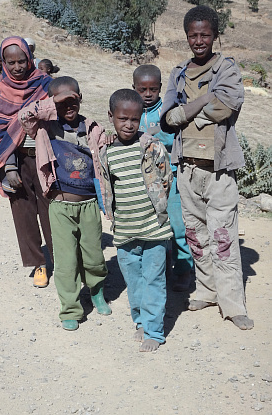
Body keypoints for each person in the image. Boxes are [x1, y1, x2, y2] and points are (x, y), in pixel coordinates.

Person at [160, 5, 254, 330]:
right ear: (187, 36)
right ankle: (207, 291)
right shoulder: (178, 74)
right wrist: (202, 101)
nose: (199, 40)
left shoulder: (227, 68)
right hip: (186, 170)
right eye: (193, 35)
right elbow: (168, 118)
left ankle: (233, 304)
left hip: (218, 172)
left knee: (223, 237)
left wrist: (188, 110)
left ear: (215, 35)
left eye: (205, 34)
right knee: (198, 238)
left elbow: (227, 105)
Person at [18, 76, 111, 331]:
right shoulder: (44, 127)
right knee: (66, 260)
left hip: (89, 205)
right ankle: (70, 308)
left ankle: (96, 291)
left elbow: (104, 153)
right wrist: (53, 103)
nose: (68, 105)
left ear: (80, 98)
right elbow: (23, 117)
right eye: (62, 101)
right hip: (59, 206)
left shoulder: (92, 128)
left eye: (73, 99)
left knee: (93, 255)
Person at [98, 89, 173, 352]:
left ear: (141, 117)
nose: (129, 124)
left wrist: (159, 210)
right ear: (111, 117)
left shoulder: (152, 147)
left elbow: (166, 179)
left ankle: (154, 331)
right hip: (125, 231)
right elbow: (106, 187)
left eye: (135, 119)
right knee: (135, 281)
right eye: (122, 119)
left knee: (154, 279)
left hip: (154, 228)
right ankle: (140, 321)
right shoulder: (106, 153)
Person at [0, 36, 53, 288]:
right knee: (23, 213)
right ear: (3, 63)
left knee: (52, 211)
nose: (17, 67)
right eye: (10, 62)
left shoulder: (45, 83)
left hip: (46, 159)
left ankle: (62, 258)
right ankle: (39, 264)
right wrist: (8, 168)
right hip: (17, 162)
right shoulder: (0, 90)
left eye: (21, 60)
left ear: (30, 58)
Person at [132, 65, 193, 292]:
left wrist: (150, 134)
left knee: (177, 224)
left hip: (171, 178)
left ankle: (184, 268)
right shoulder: (131, 110)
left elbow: (170, 135)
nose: (148, 94)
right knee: (153, 225)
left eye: (153, 89)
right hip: (143, 180)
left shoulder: (165, 110)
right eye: (142, 89)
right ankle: (161, 267)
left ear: (160, 89)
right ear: (134, 88)